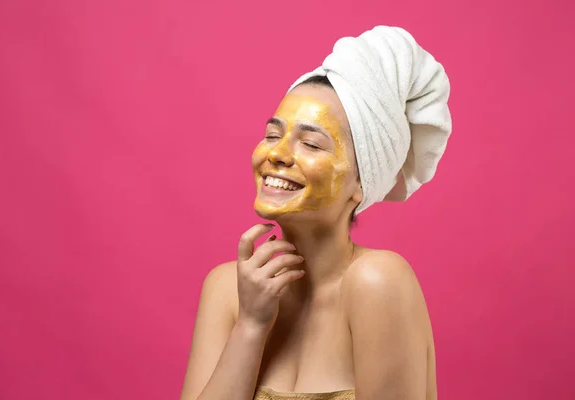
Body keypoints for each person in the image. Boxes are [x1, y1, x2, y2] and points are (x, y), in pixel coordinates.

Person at [180, 25, 452, 400]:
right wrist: (251, 325)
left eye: (311, 143)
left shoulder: (378, 282)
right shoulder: (227, 289)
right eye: (273, 135)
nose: (276, 154)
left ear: (362, 181)